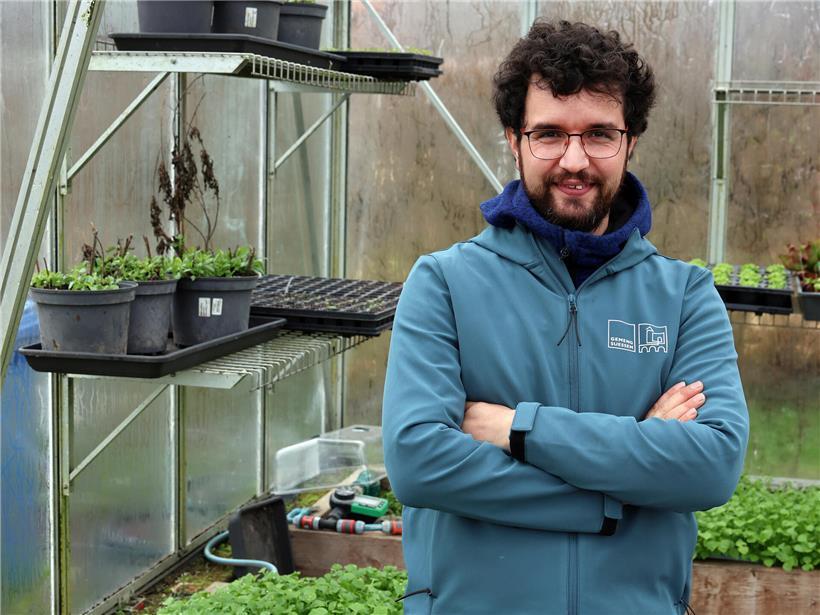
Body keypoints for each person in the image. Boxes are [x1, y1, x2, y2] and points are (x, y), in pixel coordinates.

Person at [382, 20, 749, 615]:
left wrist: (519, 431)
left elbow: (710, 468)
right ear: (514, 138)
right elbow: (419, 462)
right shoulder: (444, 283)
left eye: (600, 134)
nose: (573, 160)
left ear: (631, 142)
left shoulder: (684, 295)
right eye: (548, 134)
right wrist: (619, 487)